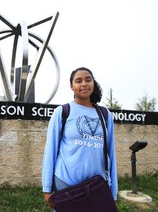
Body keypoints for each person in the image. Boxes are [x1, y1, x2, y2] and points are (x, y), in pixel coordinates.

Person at [42, 67, 118, 209]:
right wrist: (47, 188)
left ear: (93, 84)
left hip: (97, 186)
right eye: (78, 81)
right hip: (66, 183)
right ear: (72, 86)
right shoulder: (63, 112)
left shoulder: (105, 114)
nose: (84, 84)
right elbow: (50, 151)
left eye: (88, 80)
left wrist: (113, 190)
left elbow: (111, 152)